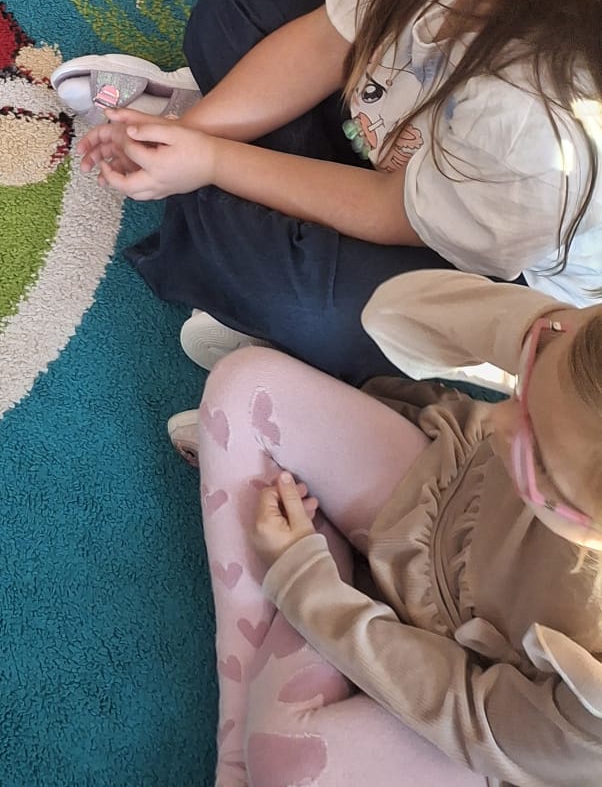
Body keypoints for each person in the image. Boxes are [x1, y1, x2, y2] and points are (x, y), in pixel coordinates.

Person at [72, 0, 602, 383]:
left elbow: (394, 209)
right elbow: (326, 41)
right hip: (386, 138)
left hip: (459, 244)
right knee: (234, 5)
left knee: (315, 310)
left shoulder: (537, 134)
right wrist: (190, 133)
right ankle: (228, 231)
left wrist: (213, 159)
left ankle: (247, 262)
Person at [189, 267, 602, 785]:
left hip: (477, 720)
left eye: (535, 457)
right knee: (243, 384)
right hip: (446, 503)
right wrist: (546, 330)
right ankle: (232, 759)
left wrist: (306, 583)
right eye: (522, 391)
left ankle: (326, 557)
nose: (499, 421)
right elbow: (390, 311)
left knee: (286, 762)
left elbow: (470, 714)